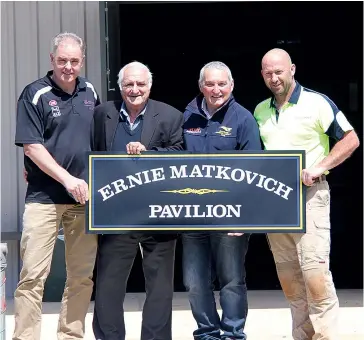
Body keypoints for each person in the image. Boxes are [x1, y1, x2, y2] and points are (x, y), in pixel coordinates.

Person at [254, 48, 360, 340]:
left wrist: (320, 167)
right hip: (277, 203)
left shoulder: (317, 102)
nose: (274, 78)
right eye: (268, 72)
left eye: (279, 71)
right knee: (290, 279)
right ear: (262, 75)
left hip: (310, 196)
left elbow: (351, 139)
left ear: (292, 69)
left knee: (315, 275)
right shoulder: (260, 110)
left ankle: (326, 336)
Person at [13, 32, 101, 340]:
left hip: (84, 200)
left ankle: (70, 335)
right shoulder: (34, 94)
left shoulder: (90, 91)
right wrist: (67, 179)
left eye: (74, 61)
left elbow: (99, 140)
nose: (68, 67)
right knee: (33, 276)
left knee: (81, 277)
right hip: (44, 198)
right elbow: (31, 147)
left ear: (82, 61)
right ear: (52, 60)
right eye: (62, 60)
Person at [91, 61, 184, 340]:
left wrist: (150, 152)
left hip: (159, 212)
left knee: (159, 287)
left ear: (150, 86)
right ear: (120, 87)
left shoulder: (170, 115)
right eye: (128, 84)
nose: (134, 90)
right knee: (108, 285)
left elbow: (181, 156)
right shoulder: (101, 114)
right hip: (116, 214)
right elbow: (92, 153)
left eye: (140, 84)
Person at [182, 61, 262, 340]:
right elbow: (171, 160)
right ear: (201, 86)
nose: (216, 90)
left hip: (231, 214)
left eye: (222, 84)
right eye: (210, 84)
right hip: (192, 215)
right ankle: (206, 333)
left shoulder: (243, 118)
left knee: (231, 280)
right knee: (194, 281)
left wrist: (246, 214)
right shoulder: (187, 116)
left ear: (231, 85)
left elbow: (254, 171)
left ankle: (232, 332)